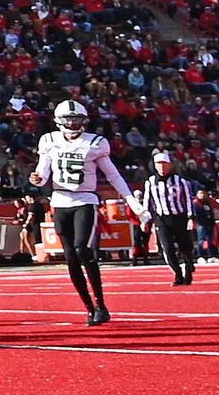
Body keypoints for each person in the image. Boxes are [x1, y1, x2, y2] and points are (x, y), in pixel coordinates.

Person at [33, 98, 143, 326]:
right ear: (59, 121)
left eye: (76, 119)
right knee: (71, 258)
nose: (72, 123)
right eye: (68, 119)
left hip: (85, 199)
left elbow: (113, 175)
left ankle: (100, 303)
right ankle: (89, 307)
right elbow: (42, 173)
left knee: (83, 249)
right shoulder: (49, 141)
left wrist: (131, 200)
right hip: (60, 200)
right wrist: (36, 179)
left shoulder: (95, 143)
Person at [141, 151, 198, 287]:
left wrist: (191, 218)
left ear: (170, 165)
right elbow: (147, 202)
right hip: (162, 219)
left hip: (180, 217)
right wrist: (145, 220)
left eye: (164, 164)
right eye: (158, 164)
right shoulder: (150, 182)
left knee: (185, 248)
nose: (161, 167)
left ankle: (188, 272)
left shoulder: (181, 181)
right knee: (167, 248)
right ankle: (177, 273)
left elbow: (188, 200)